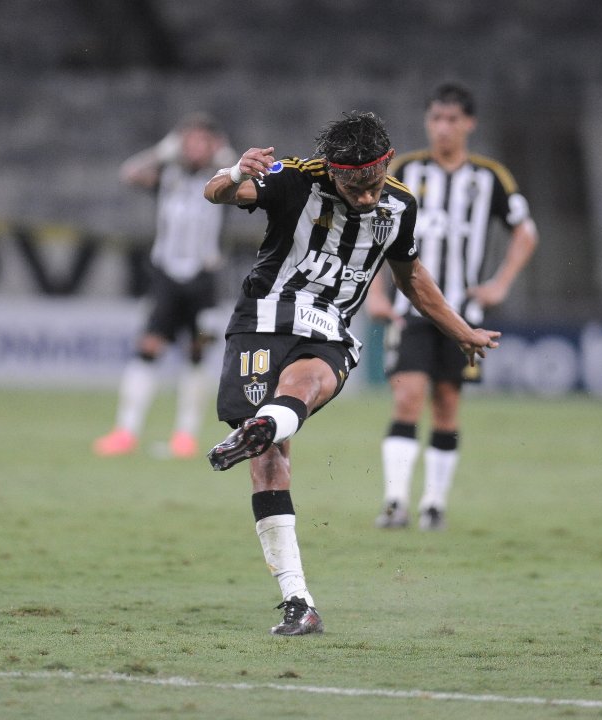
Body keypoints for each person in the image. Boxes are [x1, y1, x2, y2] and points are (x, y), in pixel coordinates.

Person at [202, 111, 501, 635]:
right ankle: (298, 597)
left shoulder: (400, 204)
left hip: (329, 328)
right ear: (331, 170)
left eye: (373, 183)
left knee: (310, 383)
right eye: (352, 185)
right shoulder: (295, 179)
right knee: (271, 463)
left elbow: (410, 277)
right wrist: (235, 172)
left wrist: (459, 328)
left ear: (385, 164)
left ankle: (267, 427)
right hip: (264, 320)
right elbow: (219, 195)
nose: (365, 196)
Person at [365, 82, 538, 531]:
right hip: (413, 309)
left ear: (469, 124)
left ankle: (434, 504)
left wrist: (499, 285)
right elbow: (371, 234)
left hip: (463, 315)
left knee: (446, 403)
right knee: (408, 396)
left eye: (452, 120)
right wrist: (377, 294)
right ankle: (395, 501)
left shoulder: (489, 178)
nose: (443, 128)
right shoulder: (403, 170)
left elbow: (526, 232)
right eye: (436, 119)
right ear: (428, 122)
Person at [93, 113, 235, 459]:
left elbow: (249, 176)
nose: (195, 147)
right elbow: (128, 173)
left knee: (197, 352)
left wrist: (225, 153)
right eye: (189, 140)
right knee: (149, 346)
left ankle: (185, 436)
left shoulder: (223, 178)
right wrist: (160, 151)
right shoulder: (167, 175)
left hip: (204, 279)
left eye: (203, 140)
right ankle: (126, 431)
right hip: (166, 276)